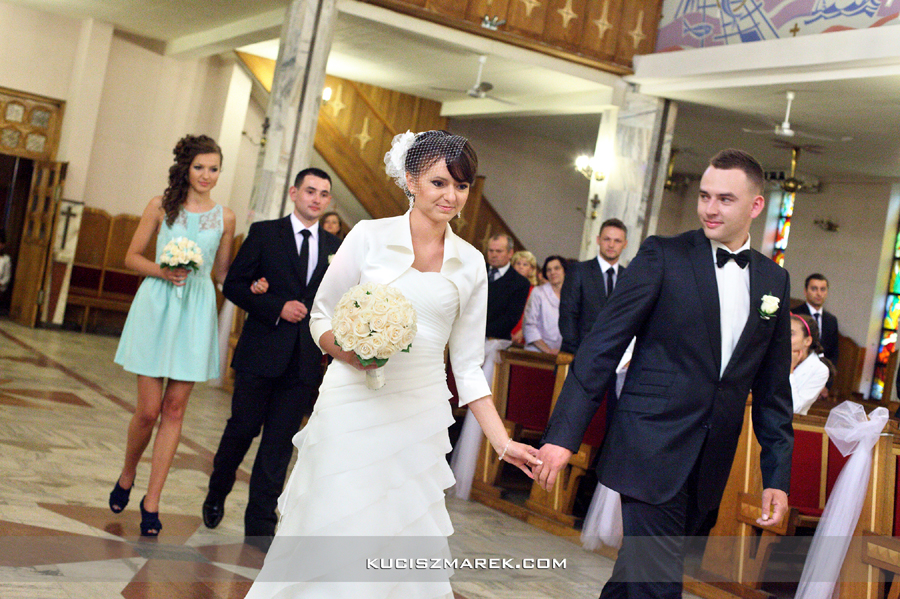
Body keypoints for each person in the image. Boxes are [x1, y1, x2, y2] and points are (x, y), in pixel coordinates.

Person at [244, 130, 540, 597]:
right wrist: (350, 353)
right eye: (439, 182)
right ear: (411, 180)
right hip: (351, 406)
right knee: (337, 524)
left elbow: (467, 368)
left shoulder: (470, 263)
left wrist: (503, 443)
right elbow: (321, 316)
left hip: (418, 417)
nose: (451, 196)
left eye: (461, 186)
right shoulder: (369, 235)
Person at [536, 149, 794, 599]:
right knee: (657, 585)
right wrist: (563, 436)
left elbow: (773, 389)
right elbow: (600, 348)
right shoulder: (664, 255)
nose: (710, 208)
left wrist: (776, 477)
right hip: (649, 445)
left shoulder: (774, 281)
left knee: (635, 579)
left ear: (756, 206)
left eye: (725, 199)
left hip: (710, 459)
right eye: (705, 196)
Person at [202, 167, 342, 548]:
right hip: (261, 352)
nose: (316, 199)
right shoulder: (265, 233)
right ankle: (217, 490)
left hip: (303, 361)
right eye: (310, 191)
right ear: (294, 193)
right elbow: (234, 284)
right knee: (241, 430)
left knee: (279, 444)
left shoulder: (336, 246)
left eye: (323, 194)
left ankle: (261, 523)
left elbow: (337, 298)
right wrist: (276, 305)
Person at [110, 134, 236, 536]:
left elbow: (221, 273)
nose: (206, 175)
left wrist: (254, 285)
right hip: (157, 304)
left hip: (196, 310)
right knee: (148, 411)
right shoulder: (159, 206)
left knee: (175, 410)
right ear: (186, 167)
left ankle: (152, 501)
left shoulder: (226, 217)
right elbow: (131, 257)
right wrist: (163, 271)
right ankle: (127, 473)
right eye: (199, 167)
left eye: (213, 168)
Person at [558, 218, 627, 355]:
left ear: (625, 244)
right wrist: (579, 352)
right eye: (607, 239)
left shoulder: (628, 277)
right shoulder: (579, 270)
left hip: (614, 357)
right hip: (578, 353)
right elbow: (568, 314)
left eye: (617, 241)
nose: (611, 245)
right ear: (598, 240)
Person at [792, 273, 839, 365]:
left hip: (822, 368)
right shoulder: (795, 315)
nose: (819, 294)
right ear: (805, 291)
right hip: (798, 365)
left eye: (823, 289)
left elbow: (833, 352)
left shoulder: (831, 320)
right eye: (814, 289)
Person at [523, 255, 567, 354]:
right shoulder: (538, 292)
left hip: (561, 353)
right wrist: (548, 350)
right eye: (549, 270)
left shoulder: (572, 295)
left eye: (556, 268)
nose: (552, 272)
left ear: (564, 271)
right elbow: (529, 325)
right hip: (537, 351)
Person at [790, 314, 829, 415]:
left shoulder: (820, 370)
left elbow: (795, 408)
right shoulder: (775, 357)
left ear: (807, 341)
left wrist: (790, 371)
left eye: (791, 334)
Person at [509, 250, 538, 345]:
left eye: (525, 264)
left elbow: (534, 316)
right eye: (518, 263)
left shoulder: (534, 291)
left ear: (531, 269)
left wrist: (522, 332)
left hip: (523, 333)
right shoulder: (505, 286)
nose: (521, 267)